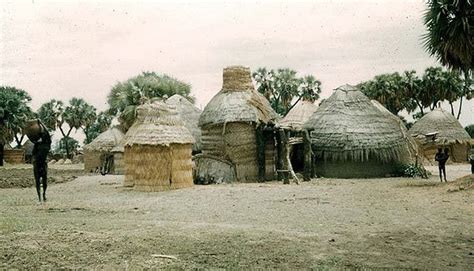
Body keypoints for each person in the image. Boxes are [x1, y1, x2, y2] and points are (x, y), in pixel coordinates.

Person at [32, 120, 51, 201]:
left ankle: (43, 194)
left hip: (43, 163)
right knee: (38, 181)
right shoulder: (38, 144)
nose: (43, 136)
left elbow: (47, 132)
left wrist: (41, 123)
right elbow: (33, 153)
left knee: (44, 181)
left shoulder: (47, 143)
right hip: (37, 163)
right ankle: (40, 196)